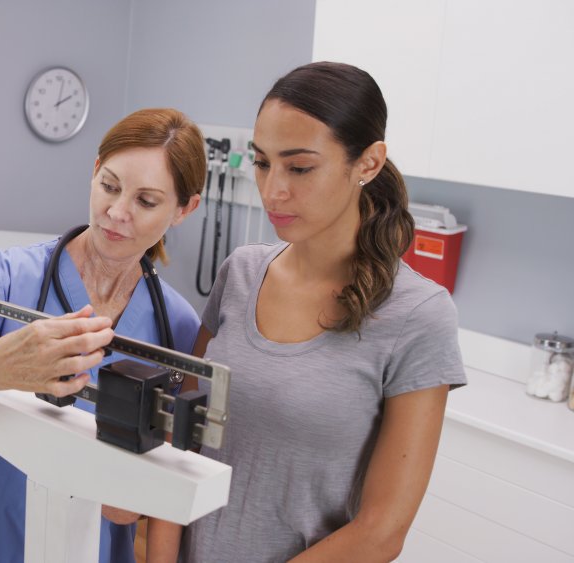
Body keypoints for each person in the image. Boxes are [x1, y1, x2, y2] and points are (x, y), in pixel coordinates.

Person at [155, 62, 468, 562]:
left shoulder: (419, 316)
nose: (273, 189)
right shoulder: (240, 273)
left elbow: (381, 531)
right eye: (262, 163)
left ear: (367, 163)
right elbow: (181, 441)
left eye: (299, 167)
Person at [0, 107, 207, 563]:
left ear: (184, 209)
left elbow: (146, 496)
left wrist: (136, 490)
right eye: (109, 186)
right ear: (94, 171)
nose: (116, 212)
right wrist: (0, 366)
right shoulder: (5, 280)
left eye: (146, 201)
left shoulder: (177, 325)